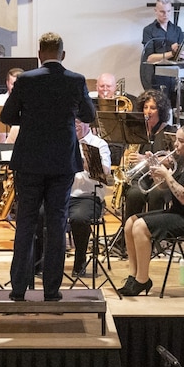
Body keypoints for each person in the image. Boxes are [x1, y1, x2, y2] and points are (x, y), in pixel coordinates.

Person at [1, 32, 97, 302]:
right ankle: (52, 290)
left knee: (25, 223)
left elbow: (8, 116)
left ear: (39, 54)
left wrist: (31, 116)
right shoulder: (76, 81)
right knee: (56, 223)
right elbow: (89, 115)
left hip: (29, 160)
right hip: (61, 162)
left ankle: (18, 288)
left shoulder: (26, 80)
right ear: (63, 55)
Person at [119, 123, 184, 296]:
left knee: (140, 226)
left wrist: (167, 174)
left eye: (180, 141)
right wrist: (157, 175)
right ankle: (133, 275)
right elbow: (165, 188)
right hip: (178, 213)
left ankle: (142, 279)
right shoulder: (183, 161)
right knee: (129, 223)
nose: (176, 145)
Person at [121, 89, 175, 223]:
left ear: (161, 111)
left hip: (162, 179)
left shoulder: (170, 131)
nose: (148, 111)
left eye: (153, 108)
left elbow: (173, 160)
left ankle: (151, 233)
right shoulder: (138, 131)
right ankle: (128, 233)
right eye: (145, 107)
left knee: (156, 195)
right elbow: (127, 154)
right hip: (140, 176)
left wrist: (146, 160)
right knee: (134, 194)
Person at [69, 119, 112, 277]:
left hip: (88, 197)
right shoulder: (64, 140)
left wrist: (85, 161)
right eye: (73, 121)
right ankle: (41, 262)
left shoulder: (99, 144)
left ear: (88, 123)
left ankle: (80, 260)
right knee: (40, 213)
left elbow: (105, 172)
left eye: (79, 122)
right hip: (63, 194)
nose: (75, 126)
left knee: (79, 218)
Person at [0, 67, 23, 144]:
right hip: (0, 145)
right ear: (7, 83)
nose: (15, 87)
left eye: (18, 84)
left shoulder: (30, 103)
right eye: (12, 84)